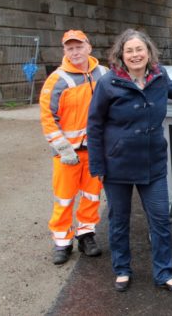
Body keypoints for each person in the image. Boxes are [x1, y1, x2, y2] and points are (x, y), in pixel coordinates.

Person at [87, 28, 172, 293]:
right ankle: (122, 269)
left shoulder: (159, 75)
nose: (135, 55)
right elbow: (94, 124)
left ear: (148, 52)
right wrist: (97, 165)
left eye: (139, 49)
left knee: (160, 220)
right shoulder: (109, 83)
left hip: (152, 163)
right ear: (121, 54)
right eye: (129, 50)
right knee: (119, 220)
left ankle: (164, 273)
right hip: (117, 163)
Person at [39, 29, 108, 265]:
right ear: (64, 51)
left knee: (91, 196)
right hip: (67, 154)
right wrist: (63, 149)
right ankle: (62, 242)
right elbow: (48, 117)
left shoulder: (105, 73)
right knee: (64, 198)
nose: (75, 52)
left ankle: (86, 235)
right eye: (70, 48)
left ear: (89, 47)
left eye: (79, 46)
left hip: (95, 150)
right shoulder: (56, 80)